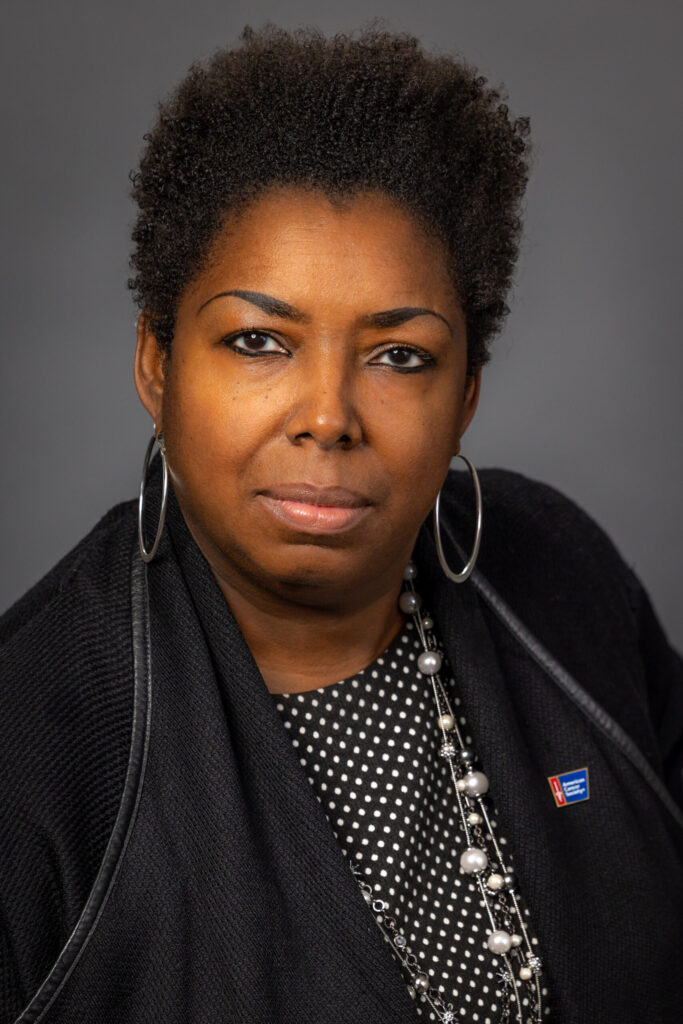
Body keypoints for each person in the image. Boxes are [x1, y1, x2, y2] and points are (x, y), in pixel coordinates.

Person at [1, 22, 682, 1024]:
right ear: (157, 364)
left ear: (465, 396)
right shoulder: (34, 745)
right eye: (258, 340)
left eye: (399, 354)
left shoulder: (560, 575)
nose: (327, 415)